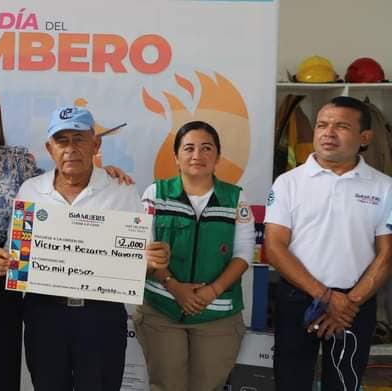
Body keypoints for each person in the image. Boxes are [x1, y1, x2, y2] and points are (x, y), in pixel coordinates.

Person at [0, 79, 135, 391]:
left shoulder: (18, 162)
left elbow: (60, 194)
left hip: (9, 267)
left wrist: (104, 173)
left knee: (3, 370)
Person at [0, 106, 169, 391]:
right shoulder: (31, 190)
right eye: (62, 140)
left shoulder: (122, 191)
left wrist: (154, 260)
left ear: (96, 144)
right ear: (50, 148)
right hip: (44, 314)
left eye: (79, 139)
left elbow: (143, 261)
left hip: (101, 317)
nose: (70, 148)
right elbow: (17, 253)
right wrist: (3, 261)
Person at [265, 96, 392, 390]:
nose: (327, 133)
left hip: (355, 305)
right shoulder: (288, 183)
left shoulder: (384, 187)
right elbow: (274, 248)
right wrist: (325, 296)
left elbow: (387, 255)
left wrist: (348, 303)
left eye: (341, 126)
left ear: (364, 138)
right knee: (290, 382)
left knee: (345, 383)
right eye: (322, 125)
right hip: (298, 300)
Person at [134, 120, 255, 391]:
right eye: (188, 148)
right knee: (166, 385)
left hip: (218, 313)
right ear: (176, 157)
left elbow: (243, 253)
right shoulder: (156, 194)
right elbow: (146, 249)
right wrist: (175, 287)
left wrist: (211, 291)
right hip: (162, 309)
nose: (197, 156)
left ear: (218, 156)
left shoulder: (235, 198)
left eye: (206, 148)